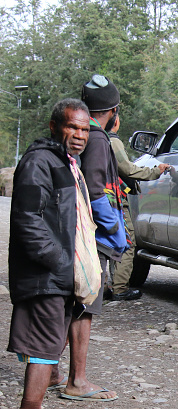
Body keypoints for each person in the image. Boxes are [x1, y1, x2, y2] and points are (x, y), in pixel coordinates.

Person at [7, 98, 117, 408]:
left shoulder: (67, 163)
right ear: (54, 126)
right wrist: (61, 262)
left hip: (58, 275)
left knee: (47, 349)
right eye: (72, 127)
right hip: (46, 276)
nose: (80, 135)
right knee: (43, 352)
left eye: (84, 129)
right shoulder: (40, 162)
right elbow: (28, 220)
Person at [108, 114, 169, 301]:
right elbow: (127, 168)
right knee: (126, 241)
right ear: (115, 120)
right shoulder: (111, 140)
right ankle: (119, 288)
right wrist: (155, 172)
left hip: (98, 197)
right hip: (112, 199)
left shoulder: (93, 138)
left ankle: (102, 286)